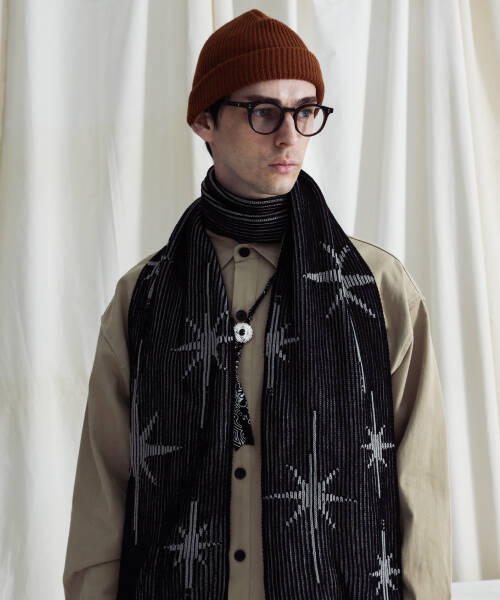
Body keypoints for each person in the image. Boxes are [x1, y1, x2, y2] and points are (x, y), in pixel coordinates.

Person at [63, 8, 451, 599]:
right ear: (205, 121)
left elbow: (420, 491)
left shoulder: (377, 289)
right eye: (263, 111)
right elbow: (104, 494)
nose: (290, 135)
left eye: (306, 111)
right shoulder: (144, 296)